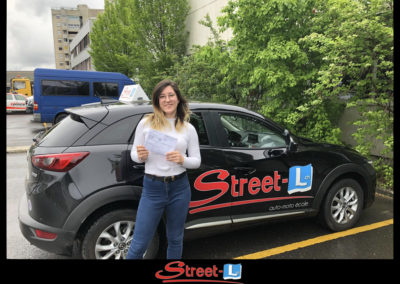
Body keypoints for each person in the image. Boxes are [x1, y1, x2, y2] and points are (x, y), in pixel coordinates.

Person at [126, 79, 201, 259]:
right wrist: (141, 156)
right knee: (139, 243)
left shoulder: (188, 128)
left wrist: (182, 159)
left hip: (179, 188)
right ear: (157, 101)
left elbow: (197, 161)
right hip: (153, 188)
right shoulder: (146, 124)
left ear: (178, 99)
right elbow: (134, 154)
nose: (167, 100)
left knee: (175, 239)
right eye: (162, 96)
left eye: (171, 95)